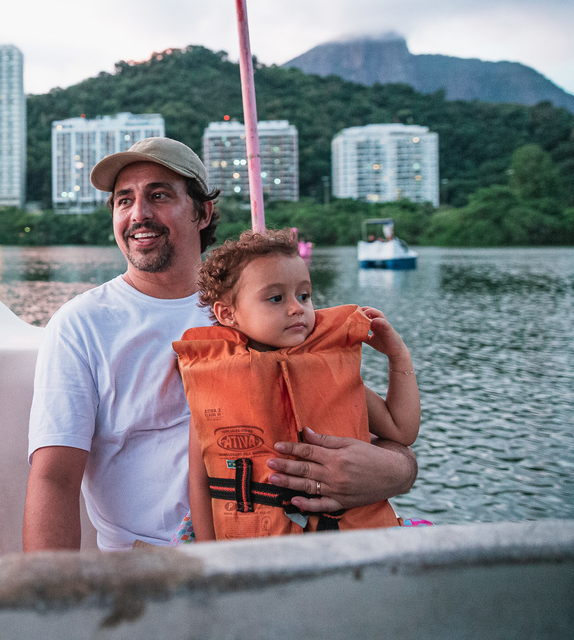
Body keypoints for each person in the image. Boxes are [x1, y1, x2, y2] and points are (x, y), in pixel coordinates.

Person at [24, 136, 417, 551]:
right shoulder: (82, 325)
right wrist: (52, 605)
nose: (139, 213)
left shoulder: (265, 311)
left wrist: (396, 471)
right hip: (160, 568)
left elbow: (362, 420)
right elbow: (53, 478)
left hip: (301, 549)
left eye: (158, 195)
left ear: (202, 212)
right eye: (124, 200)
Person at [175, 228, 419, 542]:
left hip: (347, 548)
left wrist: (399, 357)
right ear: (228, 314)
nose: (296, 308)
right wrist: (213, 560)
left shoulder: (329, 371)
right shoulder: (215, 384)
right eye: (276, 298)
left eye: (304, 295)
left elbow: (402, 430)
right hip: (255, 559)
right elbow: (200, 484)